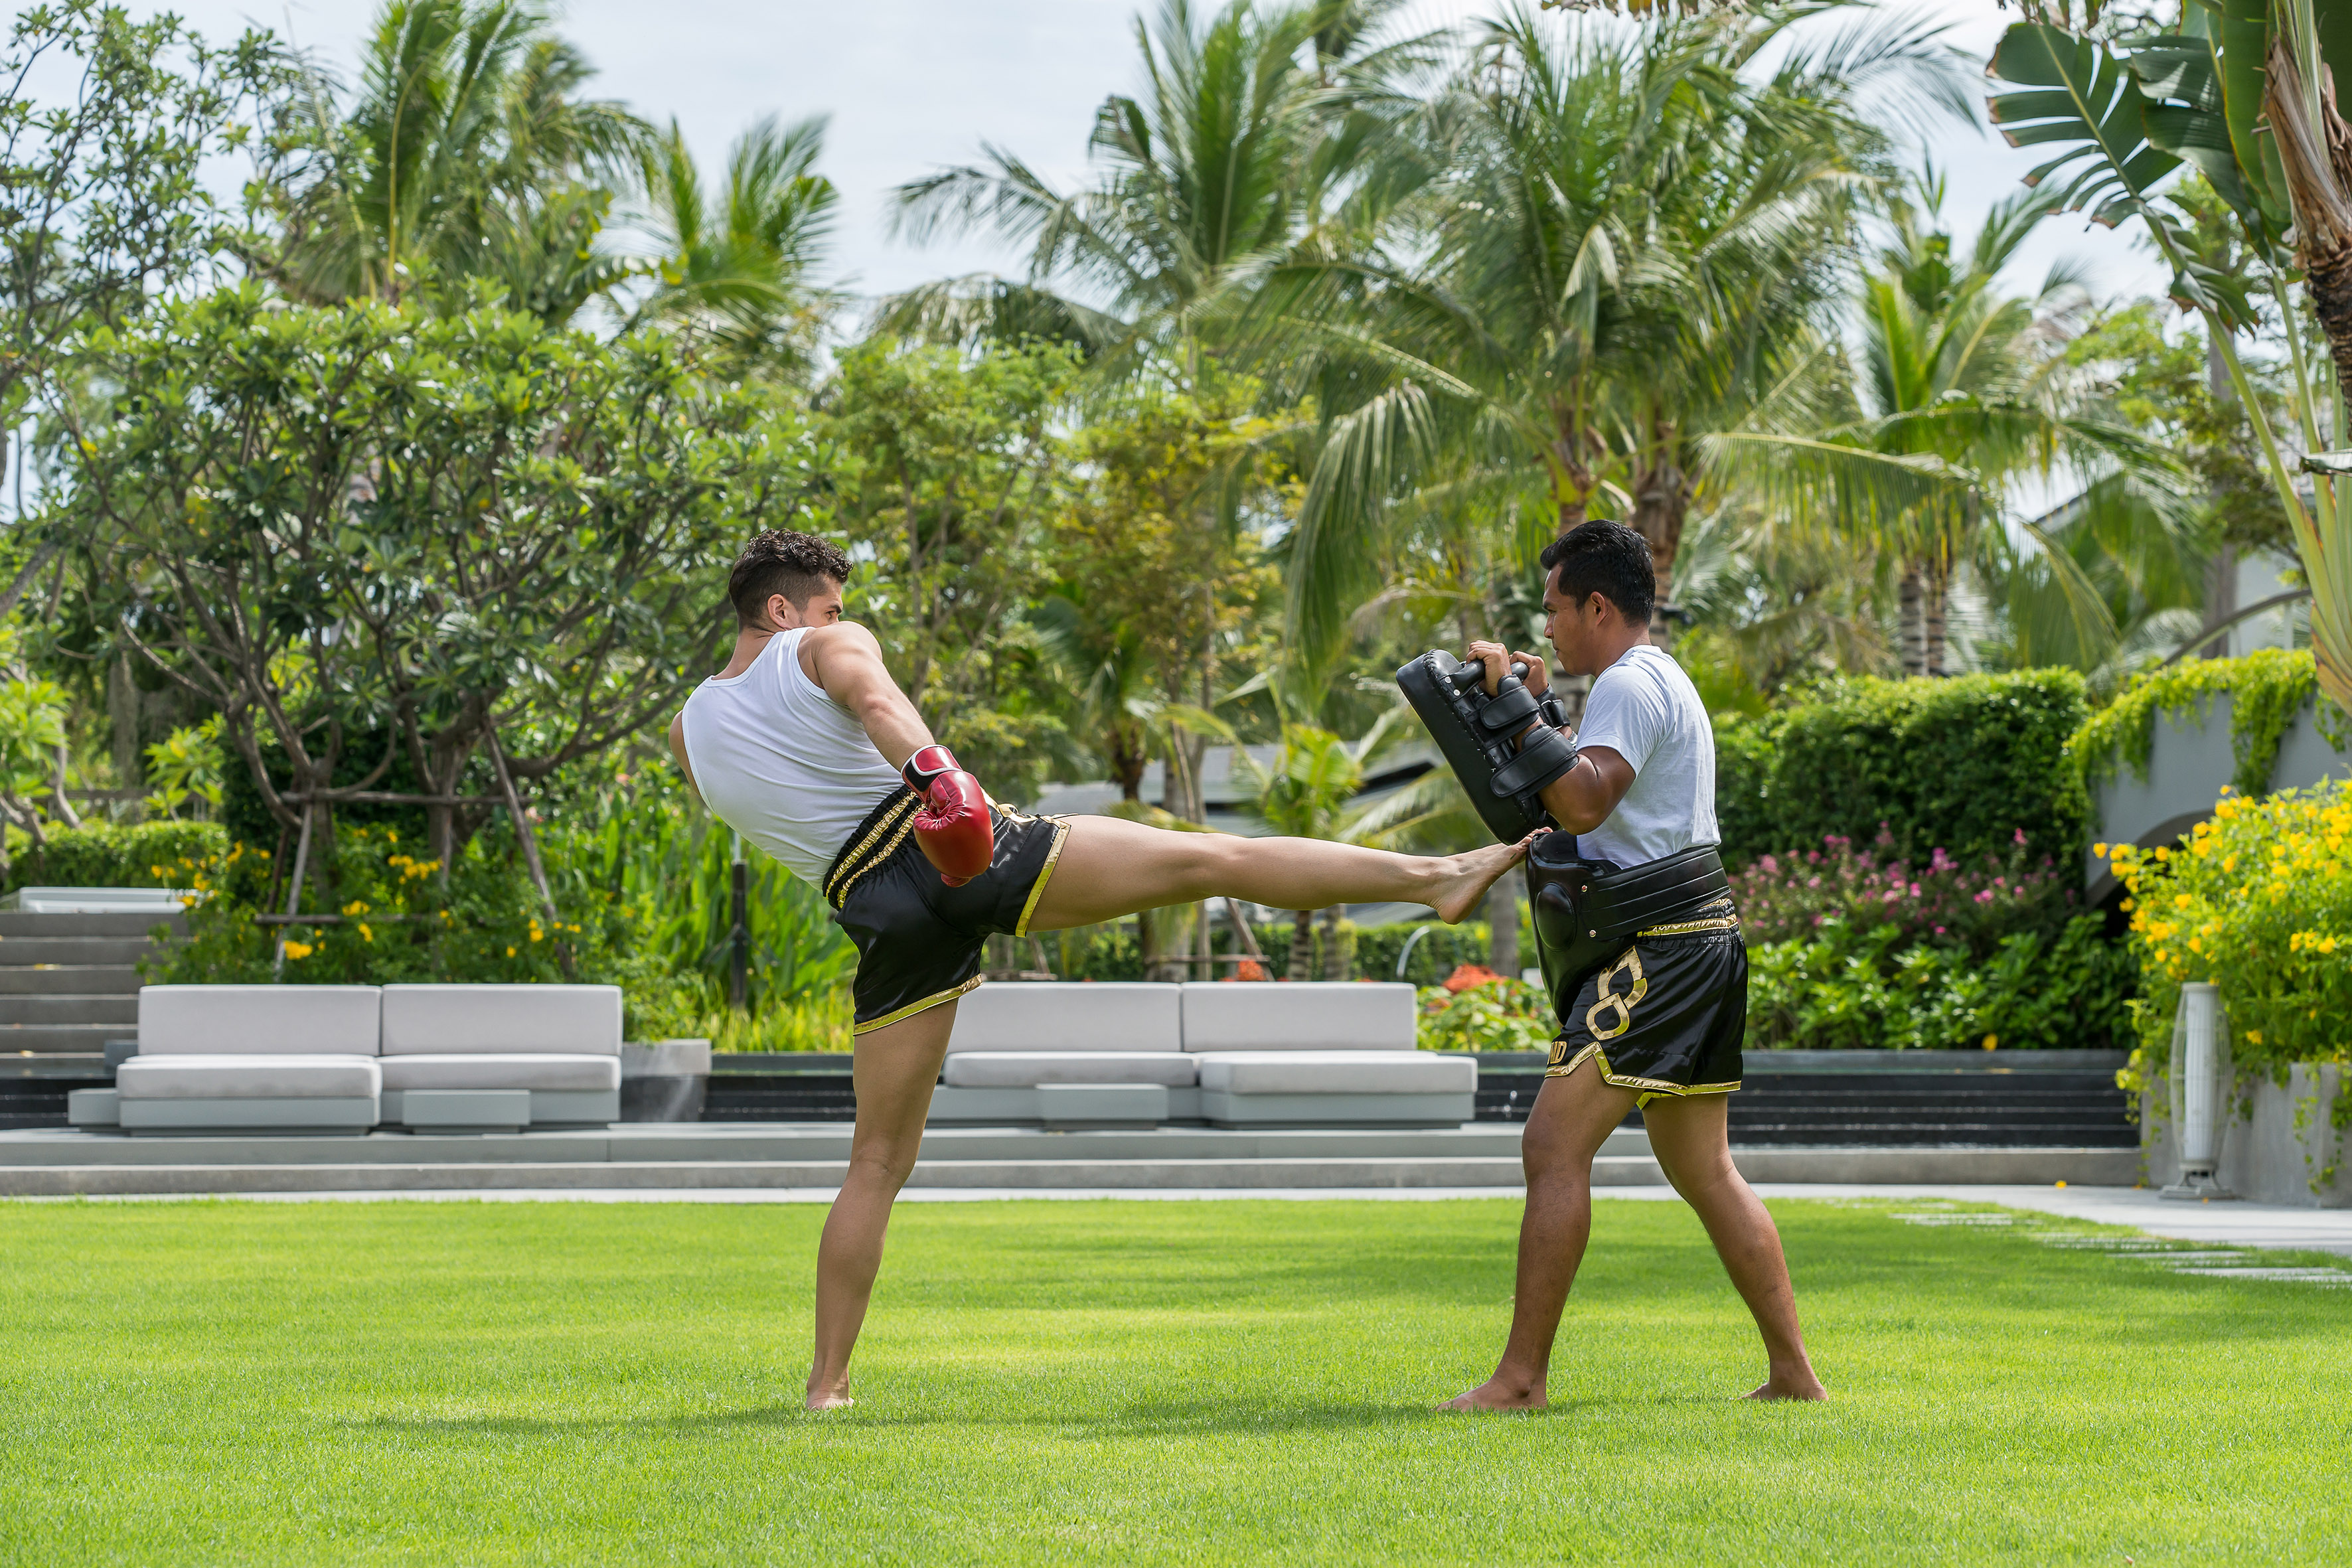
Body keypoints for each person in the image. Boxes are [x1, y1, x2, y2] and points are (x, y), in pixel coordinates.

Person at [669, 528, 1529, 1411]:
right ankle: (1438, 878)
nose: (840, 619)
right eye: (830, 604)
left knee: (877, 1160)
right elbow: (878, 699)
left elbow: (772, 801)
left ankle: (827, 1386)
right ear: (783, 609)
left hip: (873, 908)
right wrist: (944, 785)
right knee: (1211, 860)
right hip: (949, 842)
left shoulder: (688, 731)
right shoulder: (819, 645)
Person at [1441, 519, 1826, 1410]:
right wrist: (1538, 713)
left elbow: (1579, 801)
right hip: (1701, 936)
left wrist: (1515, 710)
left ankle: (1521, 1380)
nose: (1549, 630)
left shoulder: (1627, 682)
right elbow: (1593, 785)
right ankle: (1795, 1376)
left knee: (1551, 1143)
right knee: (1705, 1171)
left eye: (1555, 611)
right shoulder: (1657, 681)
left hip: (1661, 946)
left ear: (1599, 605)